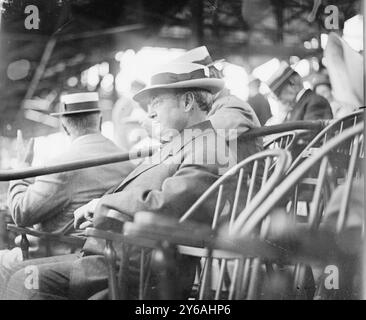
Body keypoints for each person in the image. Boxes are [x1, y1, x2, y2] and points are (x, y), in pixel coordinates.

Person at [0, 63, 237, 300]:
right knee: (21, 275)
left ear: (187, 103)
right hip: (120, 257)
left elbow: (167, 205)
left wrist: (100, 205)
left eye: (157, 102)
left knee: (23, 281)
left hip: (138, 271)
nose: (150, 113)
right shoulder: (184, 145)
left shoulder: (207, 148)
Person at [1, 92, 135, 265]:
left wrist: (21, 168)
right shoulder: (126, 161)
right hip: (108, 257)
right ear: (100, 120)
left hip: (59, 257)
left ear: (64, 126)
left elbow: (21, 213)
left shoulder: (61, 165)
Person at [171, 46, 262, 163]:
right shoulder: (216, 108)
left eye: (195, 87)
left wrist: (170, 137)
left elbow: (205, 135)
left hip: (245, 179)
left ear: (213, 76)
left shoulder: (233, 106)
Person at [267, 62, 333, 122]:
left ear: (293, 82)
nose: (280, 101)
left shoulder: (314, 101)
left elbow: (311, 133)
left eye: (279, 95)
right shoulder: (293, 109)